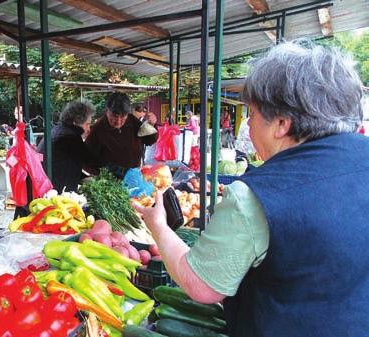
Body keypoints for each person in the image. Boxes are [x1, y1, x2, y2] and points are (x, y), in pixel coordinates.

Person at [132, 41, 368, 337]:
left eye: (252, 115)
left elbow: (202, 286)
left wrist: (159, 227)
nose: (249, 126)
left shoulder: (257, 196)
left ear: (281, 123)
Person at [85, 92, 158, 175]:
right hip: (111, 181)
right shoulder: (98, 129)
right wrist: (100, 175)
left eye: (123, 116)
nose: (118, 121)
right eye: (114, 116)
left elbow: (149, 140)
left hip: (133, 176)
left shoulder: (133, 121)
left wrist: (152, 125)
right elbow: (86, 158)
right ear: (107, 111)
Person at [37, 100, 96, 192]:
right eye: (87, 124)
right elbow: (92, 163)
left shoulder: (57, 131)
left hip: (44, 185)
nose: (89, 129)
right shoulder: (70, 137)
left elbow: (67, 165)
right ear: (75, 122)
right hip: (54, 193)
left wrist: (83, 177)